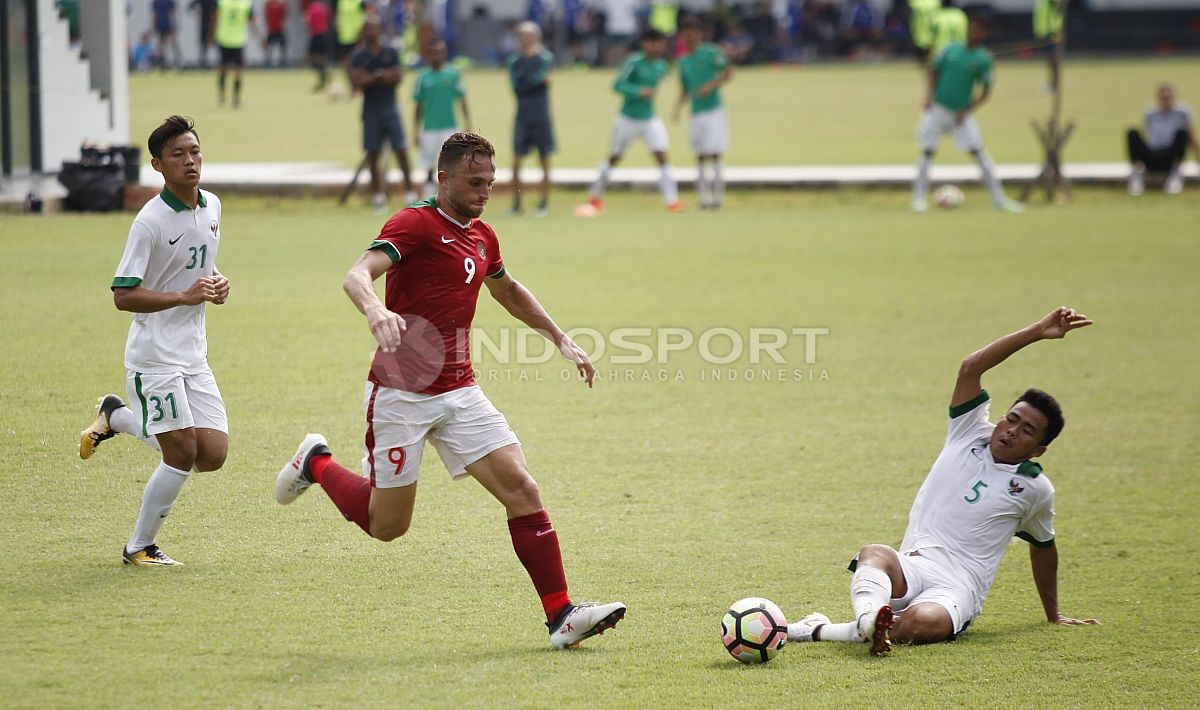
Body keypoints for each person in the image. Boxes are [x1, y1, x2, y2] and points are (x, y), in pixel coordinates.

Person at [273, 131, 626, 650]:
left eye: (490, 182)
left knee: (523, 490)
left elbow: (506, 289)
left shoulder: (483, 235)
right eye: (473, 182)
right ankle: (317, 463)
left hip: (460, 391)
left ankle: (562, 616)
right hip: (400, 394)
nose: (484, 192)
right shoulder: (413, 223)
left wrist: (560, 337)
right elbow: (356, 275)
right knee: (388, 526)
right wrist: (376, 309)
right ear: (443, 178)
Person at [788, 307, 1100, 656]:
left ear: (1039, 449)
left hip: (957, 589)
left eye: (1026, 430)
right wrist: (1037, 331)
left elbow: (1044, 548)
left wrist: (1053, 613)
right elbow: (972, 367)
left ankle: (821, 629)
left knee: (920, 625)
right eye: (1011, 419)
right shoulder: (967, 431)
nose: (1012, 431)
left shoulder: (1035, 489)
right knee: (874, 553)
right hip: (913, 565)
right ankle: (867, 620)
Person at [78, 115, 231, 567]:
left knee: (213, 455)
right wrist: (182, 296)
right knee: (181, 453)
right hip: (154, 358)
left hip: (193, 353)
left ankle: (117, 417)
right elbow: (123, 295)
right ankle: (139, 546)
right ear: (157, 165)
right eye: (178, 155)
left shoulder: (213, 206)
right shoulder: (150, 221)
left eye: (195, 151)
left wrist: (217, 286)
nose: (190, 162)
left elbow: (198, 271)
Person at [912, 16, 1022, 213]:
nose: (972, 33)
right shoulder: (950, 49)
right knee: (927, 153)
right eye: (971, 28)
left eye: (977, 30)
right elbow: (933, 72)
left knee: (980, 155)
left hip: (960, 115)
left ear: (984, 33)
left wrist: (967, 111)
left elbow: (986, 91)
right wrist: (928, 97)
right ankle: (918, 200)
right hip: (938, 109)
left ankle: (999, 200)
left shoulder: (983, 59)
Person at [577, 28, 684, 216]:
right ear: (644, 44)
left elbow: (668, 71)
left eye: (658, 42)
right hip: (627, 118)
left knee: (662, 156)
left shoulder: (661, 65)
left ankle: (672, 201)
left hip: (650, 119)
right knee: (614, 158)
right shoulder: (634, 62)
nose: (655, 46)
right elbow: (617, 84)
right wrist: (638, 91)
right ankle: (594, 198)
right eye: (651, 42)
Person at [351, 19, 418, 214]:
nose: (371, 31)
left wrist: (373, 77)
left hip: (390, 108)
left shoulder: (390, 52)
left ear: (380, 30)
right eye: (368, 28)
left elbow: (397, 76)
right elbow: (357, 80)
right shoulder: (359, 55)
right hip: (370, 110)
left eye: (374, 28)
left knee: (401, 151)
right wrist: (380, 76)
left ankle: (410, 194)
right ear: (364, 32)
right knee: (373, 154)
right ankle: (378, 197)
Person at [673, 17, 731, 210]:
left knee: (715, 153)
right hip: (696, 112)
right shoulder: (683, 61)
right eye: (685, 34)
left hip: (714, 109)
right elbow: (684, 88)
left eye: (692, 33)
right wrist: (678, 108)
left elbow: (727, 73)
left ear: (699, 34)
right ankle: (704, 198)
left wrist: (711, 85)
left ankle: (718, 197)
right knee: (699, 154)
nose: (689, 37)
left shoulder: (711, 52)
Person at [507, 21, 556, 217]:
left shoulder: (545, 58)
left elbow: (536, 80)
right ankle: (517, 203)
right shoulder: (514, 61)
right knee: (517, 160)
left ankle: (543, 203)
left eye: (530, 36)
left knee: (544, 158)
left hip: (541, 115)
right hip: (523, 115)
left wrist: (531, 82)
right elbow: (519, 86)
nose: (526, 40)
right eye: (522, 36)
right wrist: (535, 81)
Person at [412, 38, 471, 198]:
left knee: (451, 163)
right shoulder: (423, 77)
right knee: (430, 164)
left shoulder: (453, 74)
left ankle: (451, 196)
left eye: (440, 52)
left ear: (445, 54)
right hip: (429, 128)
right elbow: (418, 106)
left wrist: (467, 123)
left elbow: (462, 100)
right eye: (434, 53)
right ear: (429, 55)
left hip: (449, 126)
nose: (437, 56)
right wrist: (415, 132)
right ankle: (430, 197)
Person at [1127, 83, 1198, 196]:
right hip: (1152, 154)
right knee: (1132, 132)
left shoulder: (1182, 112)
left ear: (1174, 97)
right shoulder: (1149, 113)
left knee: (1182, 132)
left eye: (1168, 97)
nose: (1166, 100)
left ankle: (1175, 177)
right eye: (1163, 97)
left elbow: (1190, 135)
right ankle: (1136, 177)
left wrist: (1197, 154)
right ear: (1158, 98)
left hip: (1170, 156)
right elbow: (1147, 134)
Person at [215, 0, 261, 108]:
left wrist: (210, 34)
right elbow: (252, 22)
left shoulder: (222, 2)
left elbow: (214, 18)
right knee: (237, 71)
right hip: (237, 40)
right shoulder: (246, 3)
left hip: (224, 38)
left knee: (223, 68)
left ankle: (224, 97)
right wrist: (260, 38)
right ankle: (235, 99)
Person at [1032, 0, 1063, 92]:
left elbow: (1058, 8)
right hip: (1045, 32)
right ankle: (1053, 83)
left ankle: (1054, 84)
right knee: (1050, 59)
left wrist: (1056, 30)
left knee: (1053, 58)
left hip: (1052, 31)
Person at [306, 0, 332, 91]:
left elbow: (309, 22)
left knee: (312, 57)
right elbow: (329, 19)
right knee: (322, 58)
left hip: (316, 35)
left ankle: (323, 75)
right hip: (324, 34)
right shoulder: (325, 7)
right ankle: (324, 75)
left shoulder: (312, 8)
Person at [152, 0, 183, 70]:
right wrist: (153, 27)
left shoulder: (170, 2)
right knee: (161, 45)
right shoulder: (156, 2)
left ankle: (178, 62)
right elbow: (155, 15)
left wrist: (174, 26)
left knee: (173, 43)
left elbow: (173, 13)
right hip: (161, 26)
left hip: (169, 26)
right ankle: (162, 63)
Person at [188, 0, 219, 68]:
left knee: (215, 43)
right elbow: (191, 6)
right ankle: (204, 61)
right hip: (206, 24)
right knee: (204, 44)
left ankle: (219, 61)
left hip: (213, 24)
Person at [264, 0, 289, 67]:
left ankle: (284, 64)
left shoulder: (280, 4)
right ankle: (268, 64)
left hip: (279, 29)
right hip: (272, 29)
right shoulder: (270, 4)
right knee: (270, 48)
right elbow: (266, 16)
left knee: (283, 47)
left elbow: (285, 14)